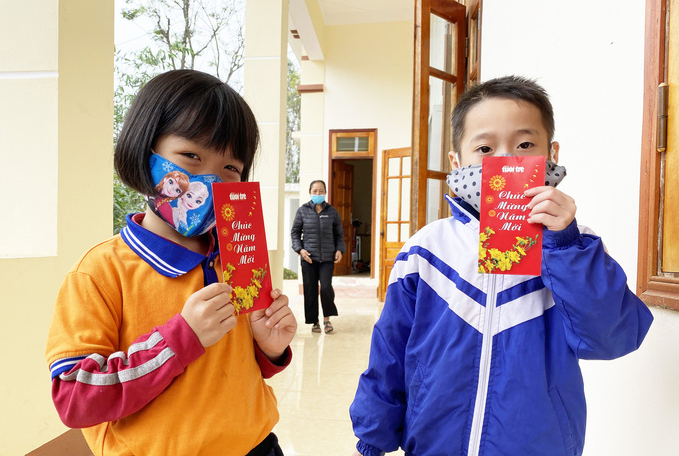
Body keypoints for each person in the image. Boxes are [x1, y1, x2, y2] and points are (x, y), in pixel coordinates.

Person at [349, 75, 653, 456]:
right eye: (486, 148)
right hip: (433, 445)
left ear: (551, 153)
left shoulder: (576, 247)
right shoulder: (426, 250)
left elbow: (613, 338)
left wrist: (564, 244)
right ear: (456, 162)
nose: (507, 160)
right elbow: (389, 350)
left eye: (525, 144)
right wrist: (374, 435)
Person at [45, 69, 297, 456]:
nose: (209, 179)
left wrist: (270, 349)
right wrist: (182, 338)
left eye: (230, 168)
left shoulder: (239, 255)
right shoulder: (100, 272)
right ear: (145, 151)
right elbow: (75, 397)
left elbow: (238, 371)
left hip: (258, 447)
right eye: (191, 156)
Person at [291, 180, 346, 334]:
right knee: (310, 289)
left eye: (321, 191)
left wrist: (339, 250)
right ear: (310, 192)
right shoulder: (302, 211)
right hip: (308, 258)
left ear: (325, 193)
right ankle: (314, 321)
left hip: (327, 258)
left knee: (326, 287)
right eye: (315, 191)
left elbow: (339, 236)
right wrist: (300, 250)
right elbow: (295, 233)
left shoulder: (332, 212)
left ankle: (327, 319)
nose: (317, 194)